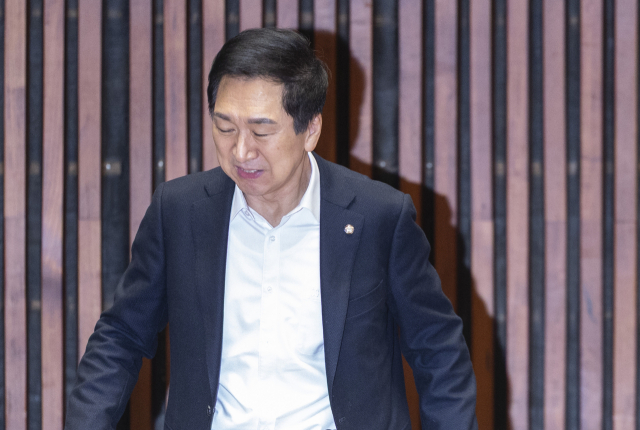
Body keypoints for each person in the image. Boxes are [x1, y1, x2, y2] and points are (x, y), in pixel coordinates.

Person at [65, 28, 477, 430]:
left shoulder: (378, 216)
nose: (241, 151)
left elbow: (438, 348)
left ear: (310, 129)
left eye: (261, 130)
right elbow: (121, 335)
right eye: (225, 127)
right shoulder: (179, 212)